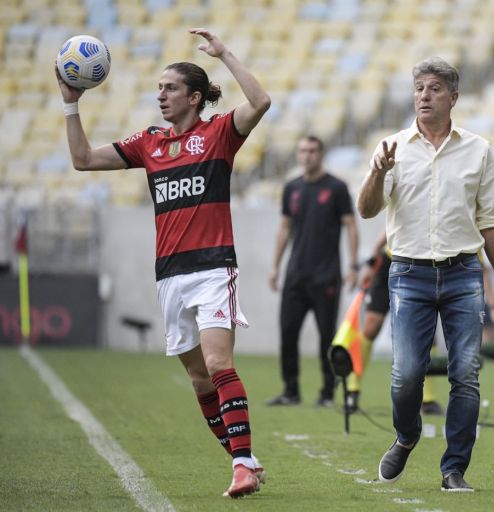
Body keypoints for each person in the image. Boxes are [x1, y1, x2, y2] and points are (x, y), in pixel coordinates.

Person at [56, 28, 271, 497]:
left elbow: (261, 102)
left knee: (217, 363)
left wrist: (226, 52)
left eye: (170, 88)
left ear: (195, 97)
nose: (161, 95)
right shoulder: (147, 143)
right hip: (170, 274)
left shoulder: (217, 135)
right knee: (198, 380)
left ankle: (240, 464)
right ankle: (246, 459)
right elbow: (82, 159)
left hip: (214, 267)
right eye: (158, 88)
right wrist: (71, 103)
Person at [357, 57, 494, 492]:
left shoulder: (479, 150)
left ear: (453, 97)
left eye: (434, 89)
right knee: (406, 374)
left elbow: (492, 222)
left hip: (465, 272)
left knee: (465, 372)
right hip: (408, 272)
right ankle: (407, 436)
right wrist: (377, 173)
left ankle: (454, 469)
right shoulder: (391, 148)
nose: (424, 96)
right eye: (419, 89)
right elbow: (368, 210)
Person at [267, 135, 359, 407]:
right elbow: (284, 227)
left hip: (326, 276)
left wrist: (353, 265)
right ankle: (290, 390)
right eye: (302, 151)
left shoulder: (337, 188)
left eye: (312, 151)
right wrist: (275, 267)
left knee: (326, 337)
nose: (306, 155)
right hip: (295, 275)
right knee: (287, 332)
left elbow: (351, 226)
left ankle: (328, 393)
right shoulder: (292, 188)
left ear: (321, 154)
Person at [346, 232, 444, 415]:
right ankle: (352, 390)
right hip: (391, 263)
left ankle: (429, 400)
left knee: (428, 332)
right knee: (371, 326)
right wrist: (371, 262)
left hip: (422, 267)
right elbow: (388, 228)